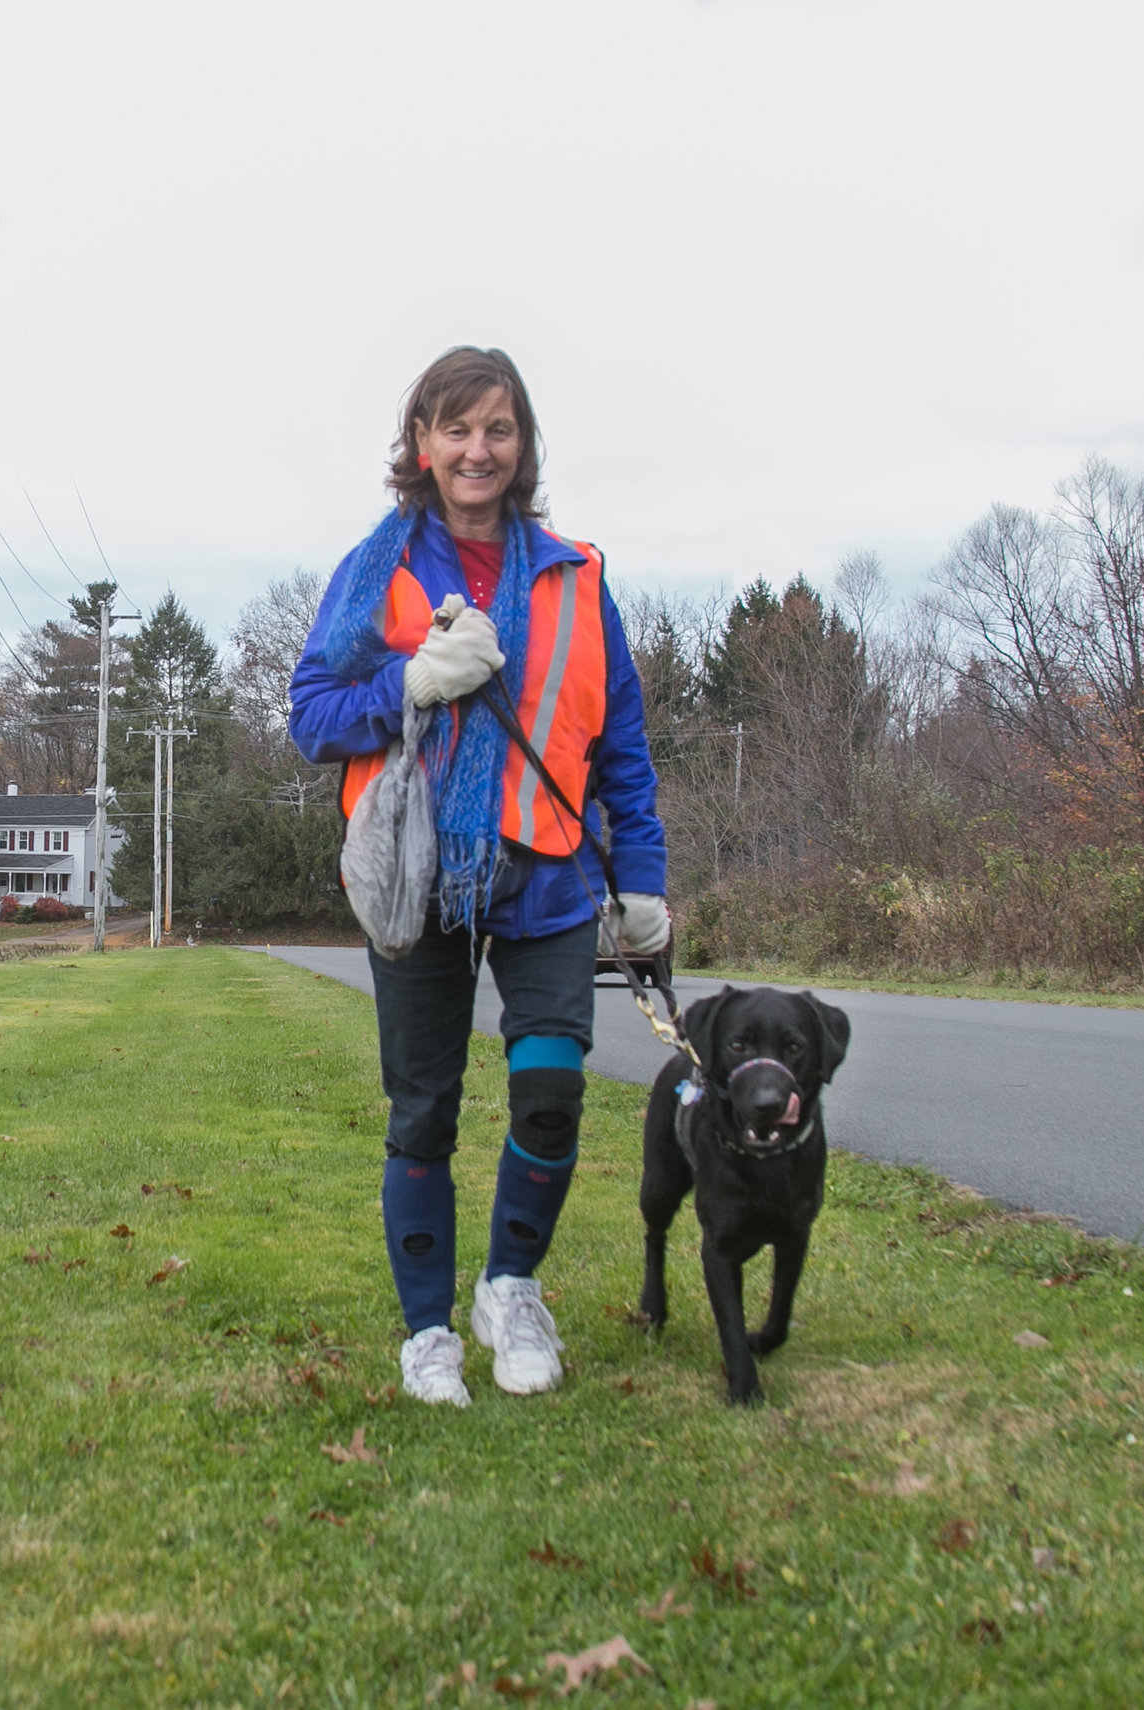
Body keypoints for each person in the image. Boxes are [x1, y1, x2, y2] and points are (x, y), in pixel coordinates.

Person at [288, 346, 670, 1406]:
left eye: (497, 430)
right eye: (455, 430)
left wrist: (640, 883)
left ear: (522, 446)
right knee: (424, 1112)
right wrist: (406, 682)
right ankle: (428, 1332)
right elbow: (309, 716)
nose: (476, 450)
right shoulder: (378, 573)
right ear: (421, 446)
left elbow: (621, 747)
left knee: (549, 1095)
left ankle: (511, 1286)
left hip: (547, 873)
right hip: (415, 877)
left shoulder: (579, 577)